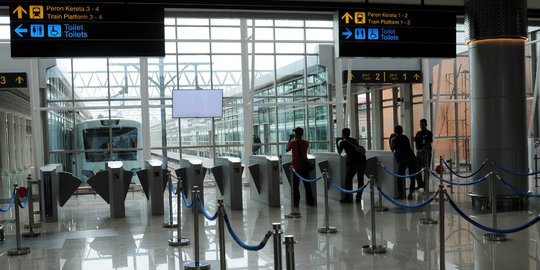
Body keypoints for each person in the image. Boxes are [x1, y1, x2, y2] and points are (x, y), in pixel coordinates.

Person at [389, 125, 421, 200]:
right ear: (402, 131)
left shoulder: (395, 139)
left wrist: (390, 140)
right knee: (412, 176)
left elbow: (392, 148)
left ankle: (401, 194)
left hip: (404, 159)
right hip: (411, 157)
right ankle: (410, 193)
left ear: (395, 131)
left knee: (399, 176)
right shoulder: (405, 137)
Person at [336, 128, 367, 203]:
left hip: (355, 162)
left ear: (343, 134)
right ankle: (358, 198)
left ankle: (348, 198)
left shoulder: (342, 143)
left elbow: (339, 152)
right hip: (363, 160)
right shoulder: (354, 140)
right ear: (349, 133)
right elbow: (355, 150)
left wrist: (336, 142)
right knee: (360, 179)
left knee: (348, 179)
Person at [286, 127, 315, 207]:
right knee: (307, 185)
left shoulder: (293, 143)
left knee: (295, 186)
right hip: (305, 166)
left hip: (296, 167)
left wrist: (290, 140)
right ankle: (310, 201)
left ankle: (296, 203)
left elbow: (287, 149)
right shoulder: (306, 143)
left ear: (296, 134)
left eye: (295, 133)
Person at [414, 119, 431, 190]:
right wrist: (418, 150)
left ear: (426, 124)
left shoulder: (429, 133)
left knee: (426, 169)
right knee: (417, 169)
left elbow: (428, 143)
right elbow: (415, 141)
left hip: (426, 153)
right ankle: (419, 184)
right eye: (420, 124)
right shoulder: (418, 133)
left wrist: (422, 149)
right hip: (419, 153)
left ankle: (425, 185)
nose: (421, 126)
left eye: (423, 124)